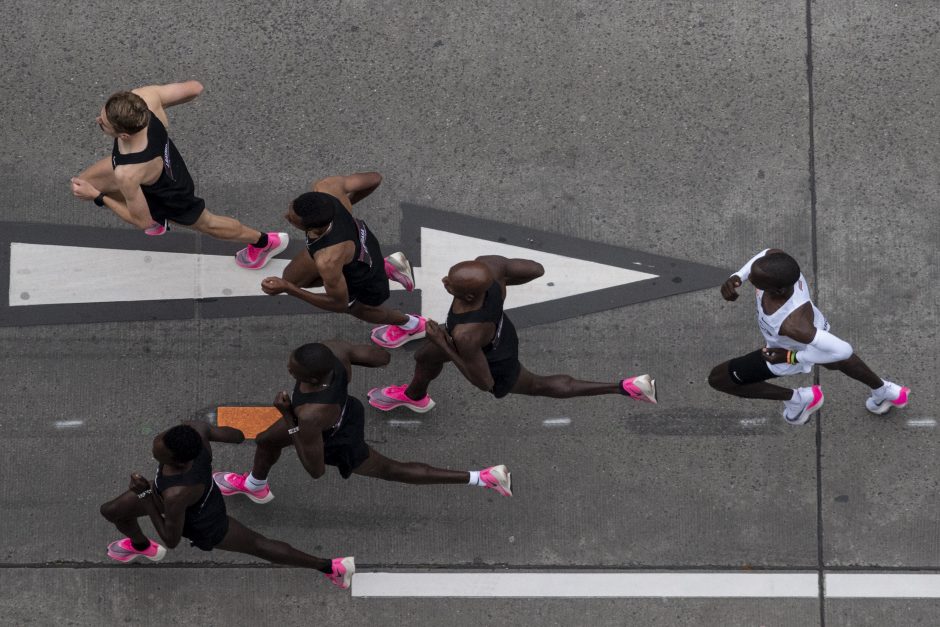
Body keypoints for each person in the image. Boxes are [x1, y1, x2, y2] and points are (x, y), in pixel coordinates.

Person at [212, 340, 513, 501]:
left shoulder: (309, 416)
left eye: (293, 371)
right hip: (346, 408)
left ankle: (482, 478)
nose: (289, 371)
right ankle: (255, 485)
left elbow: (315, 470)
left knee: (392, 470)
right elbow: (382, 358)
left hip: (334, 438)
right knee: (265, 440)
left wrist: (288, 416)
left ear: (313, 378)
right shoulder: (336, 351)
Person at [367, 255, 657, 413]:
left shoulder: (466, 335)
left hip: (494, 359)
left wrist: (443, 341)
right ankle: (414, 395)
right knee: (425, 357)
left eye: (450, 284)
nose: (444, 281)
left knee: (541, 385)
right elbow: (535, 269)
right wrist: (504, 275)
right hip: (497, 330)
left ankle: (625, 387)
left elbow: (484, 382)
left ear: (467, 295)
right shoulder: (490, 270)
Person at [99, 421, 354, 589]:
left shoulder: (178, 492)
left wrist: (144, 496)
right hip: (171, 496)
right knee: (111, 511)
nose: (156, 443)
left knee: (259, 546)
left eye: (159, 450)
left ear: (176, 461)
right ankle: (140, 546)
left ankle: (332, 567)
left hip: (203, 521)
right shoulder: (195, 432)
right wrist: (223, 433)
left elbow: (171, 538)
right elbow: (238, 435)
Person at [70, 82, 287, 269]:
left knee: (208, 223)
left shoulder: (127, 173)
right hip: (162, 166)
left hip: (172, 193)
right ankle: (156, 214)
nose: (98, 119)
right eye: (103, 114)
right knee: (87, 181)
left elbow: (142, 222)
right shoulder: (145, 98)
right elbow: (195, 88)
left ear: (124, 135)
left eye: (103, 123)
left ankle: (264, 242)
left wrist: (97, 197)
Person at [707, 248, 910, 424]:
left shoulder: (792, 324)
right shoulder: (780, 270)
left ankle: (800, 400)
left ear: (778, 289)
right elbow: (768, 252)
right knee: (834, 362)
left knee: (720, 379)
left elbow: (843, 350)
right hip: (816, 329)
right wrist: (738, 276)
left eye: (755, 281)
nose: (751, 279)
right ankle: (886, 391)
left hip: (787, 352)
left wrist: (791, 358)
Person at [259, 173, 425, 348]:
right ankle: (386, 266)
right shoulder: (327, 188)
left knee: (360, 309)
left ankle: (412, 325)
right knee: (292, 277)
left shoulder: (328, 260)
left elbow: (339, 304)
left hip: (363, 276)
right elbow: (375, 178)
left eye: (292, 219)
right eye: (290, 210)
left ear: (314, 227)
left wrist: (289, 289)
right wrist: (345, 209)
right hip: (362, 245)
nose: (286, 216)